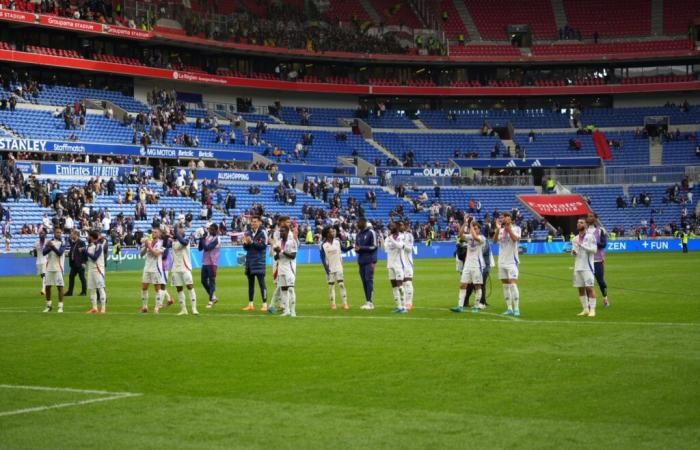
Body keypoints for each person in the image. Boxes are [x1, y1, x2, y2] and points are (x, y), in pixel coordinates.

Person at [452, 219, 486, 313]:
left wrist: (471, 226)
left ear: (479, 229)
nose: (474, 230)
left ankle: (476, 306)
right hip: (467, 265)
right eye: (473, 228)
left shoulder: (482, 238)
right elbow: (459, 235)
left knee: (477, 286)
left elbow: (475, 237)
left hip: (477, 265)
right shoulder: (469, 237)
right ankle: (460, 306)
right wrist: (465, 223)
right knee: (463, 285)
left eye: (476, 229)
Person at [493, 212, 522, 316]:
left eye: (506, 218)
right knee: (505, 286)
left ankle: (517, 308)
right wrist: (497, 229)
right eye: (503, 217)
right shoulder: (500, 230)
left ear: (510, 219)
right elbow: (494, 241)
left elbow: (515, 239)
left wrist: (508, 228)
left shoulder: (516, 228)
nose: (504, 219)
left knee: (513, 284)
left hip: (512, 262)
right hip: (501, 262)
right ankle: (509, 308)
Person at [320, 226, 351, 310]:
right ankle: (333, 304)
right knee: (331, 286)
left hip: (339, 267)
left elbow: (344, 249)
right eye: (331, 232)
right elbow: (322, 259)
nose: (333, 233)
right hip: (330, 268)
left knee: (341, 284)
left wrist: (352, 246)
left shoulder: (337, 242)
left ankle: (345, 303)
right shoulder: (323, 245)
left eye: (333, 231)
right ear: (327, 234)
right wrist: (327, 269)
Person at [572, 218, 598, 317]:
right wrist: (573, 252)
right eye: (578, 222)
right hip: (578, 266)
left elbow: (594, 250)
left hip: (587, 266)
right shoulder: (575, 238)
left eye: (581, 222)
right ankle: (585, 309)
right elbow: (574, 251)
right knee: (580, 289)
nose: (579, 224)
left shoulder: (591, 237)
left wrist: (582, 246)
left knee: (590, 288)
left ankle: (593, 310)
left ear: (586, 225)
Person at [242, 216, 268, 311]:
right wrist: (245, 243)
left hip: (259, 261)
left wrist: (252, 242)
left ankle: (265, 304)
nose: (253, 223)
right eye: (252, 221)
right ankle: (250, 304)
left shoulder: (263, 232)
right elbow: (246, 248)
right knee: (250, 284)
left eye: (255, 221)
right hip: (250, 261)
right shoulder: (248, 232)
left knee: (261, 283)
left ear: (260, 222)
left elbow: (262, 246)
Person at [172, 225, 198, 315]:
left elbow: (183, 242)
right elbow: (164, 244)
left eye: (180, 231)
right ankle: (183, 309)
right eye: (178, 231)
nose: (179, 232)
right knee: (179, 288)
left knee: (190, 286)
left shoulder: (186, 241)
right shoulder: (173, 242)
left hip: (185, 267)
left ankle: (194, 308)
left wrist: (176, 232)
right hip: (175, 268)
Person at [139, 227, 166, 314]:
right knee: (144, 287)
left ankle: (157, 307)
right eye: (152, 232)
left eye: (155, 232)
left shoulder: (162, 243)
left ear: (159, 234)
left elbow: (156, 254)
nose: (153, 233)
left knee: (157, 289)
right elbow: (141, 254)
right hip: (147, 267)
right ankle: (144, 307)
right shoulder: (148, 242)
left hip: (156, 268)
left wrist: (149, 247)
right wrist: (145, 248)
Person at [586, 212, 609, 307]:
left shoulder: (600, 230)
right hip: (586, 261)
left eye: (591, 216)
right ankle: (589, 303)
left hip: (597, 260)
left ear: (595, 218)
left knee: (600, 281)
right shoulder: (584, 230)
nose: (589, 218)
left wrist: (593, 243)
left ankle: (605, 298)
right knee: (587, 283)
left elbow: (604, 244)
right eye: (588, 216)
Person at [275, 225, 298, 317]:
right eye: (280, 231)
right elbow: (276, 258)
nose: (281, 233)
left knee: (291, 289)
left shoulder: (292, 242)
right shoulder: (279, 242)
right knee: (283, 290)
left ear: (288, 232)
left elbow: (293, 256)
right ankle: (287, 310)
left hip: (289, 269)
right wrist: (277, 252)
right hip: (281, 269)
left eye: (283, 231)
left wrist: (281, 250)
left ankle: (293, 311)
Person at [355, 218, 378, 310]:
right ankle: (367, 301)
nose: (357, 224)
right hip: (361, 261)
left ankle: (370, 302)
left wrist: (361, 248)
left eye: (359, 222)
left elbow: (374, 246)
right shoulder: (358, 235)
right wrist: (357, 249)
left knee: (369, 280)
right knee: (364, 281)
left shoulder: (371, 232)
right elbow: (358, 247)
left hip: (369, 261)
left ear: (364, 223)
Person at [384, 222, 407, 313]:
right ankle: (399, 307)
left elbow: (400, 246)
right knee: (394, 287)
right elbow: (385, 249)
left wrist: (390, 238)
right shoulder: (388, 238)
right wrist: (383, 240)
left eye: (393, 226)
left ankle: (404, 307)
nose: (391, 227)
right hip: (390, 265)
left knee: (400, 286)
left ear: (396, 227)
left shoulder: (401, 236)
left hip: (399, 264)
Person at [42, 226, 66, 313]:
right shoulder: (49, 242)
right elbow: (44, 252)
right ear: (54, 233)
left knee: (60, 287)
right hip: (49, 268)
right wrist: (49, 246)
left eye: (60, 232)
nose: (59, 234)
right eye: (57, 232)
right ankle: (48, 306)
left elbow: (59, 253)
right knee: (47, 287)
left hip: (58, 268)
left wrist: (51, 247)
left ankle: (60, 306)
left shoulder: (63, 242)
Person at [198, 223, 221, 309]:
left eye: (211, 229)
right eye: (209, 229)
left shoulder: (217, 239)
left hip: (213, 263)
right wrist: (201, 238)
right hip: (205, 262)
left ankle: (211, 300)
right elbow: (200, 248)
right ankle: (213, 297)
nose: (209, 230)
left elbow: (207, 248)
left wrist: (202, 239)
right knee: (203, 281)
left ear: (216, 230)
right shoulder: (208, 237)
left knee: (212, 281)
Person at [85, 230, 107, 314]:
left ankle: (103, 308)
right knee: (92, 289)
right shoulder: (90, 246)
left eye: (88, 235)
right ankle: (94, 308)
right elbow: (88, 258)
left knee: (100, 288)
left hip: (98, 270)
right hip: (90, 270)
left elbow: (95, 258)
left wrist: (85, 252)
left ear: (91, 236)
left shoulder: (98, 246)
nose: (87, 237)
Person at [65, 230, 87, 297]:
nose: (71, 236)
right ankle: (70, 292)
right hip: (74, 264)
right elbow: (74, 252)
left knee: (82, 278)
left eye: (72, 234)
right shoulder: (73, 243)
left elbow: (85, 253)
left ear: (76, 235)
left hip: (80, 264)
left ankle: (84, 292)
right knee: (71, 277)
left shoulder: (81, 242)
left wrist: (84, 262)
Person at [401, 220, 415, 310]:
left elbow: (409, 249)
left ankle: (409, 303)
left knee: (408, 282)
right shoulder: (396, 236)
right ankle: (403, 302)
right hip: (398, 263)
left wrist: (401, 245)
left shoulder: (409, 235)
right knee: (401, 284)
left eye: (402, 225)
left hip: (407, 263)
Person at [32, 230, 48, 296]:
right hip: (38, 261)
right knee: (42, 275)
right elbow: (34, 254)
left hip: (45, 260)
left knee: (44, 275)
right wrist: (33, 253)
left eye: (43, 233)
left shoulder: (47, 242)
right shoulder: (36, 243)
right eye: (40, 233)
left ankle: (43, 289)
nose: (41, 234)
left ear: (45, 235)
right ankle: (45, 287)